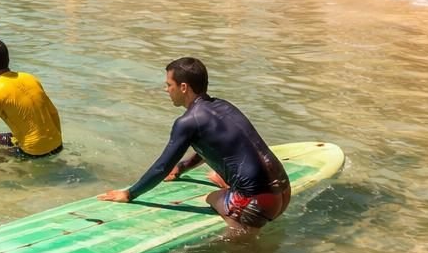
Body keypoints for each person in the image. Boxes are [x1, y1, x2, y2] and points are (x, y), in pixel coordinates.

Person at [98, 57, 291, 237]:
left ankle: (239, 233)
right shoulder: (223, 106)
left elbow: (162, 167)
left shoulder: (188, 121)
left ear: (183, 87)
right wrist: (181, 168)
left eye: (169, 85)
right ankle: (229, 189)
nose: (166, 90)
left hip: (256, 204)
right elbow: (211, 145)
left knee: (212, 199)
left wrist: (129, 194)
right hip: (283, 191)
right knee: (226, 178)